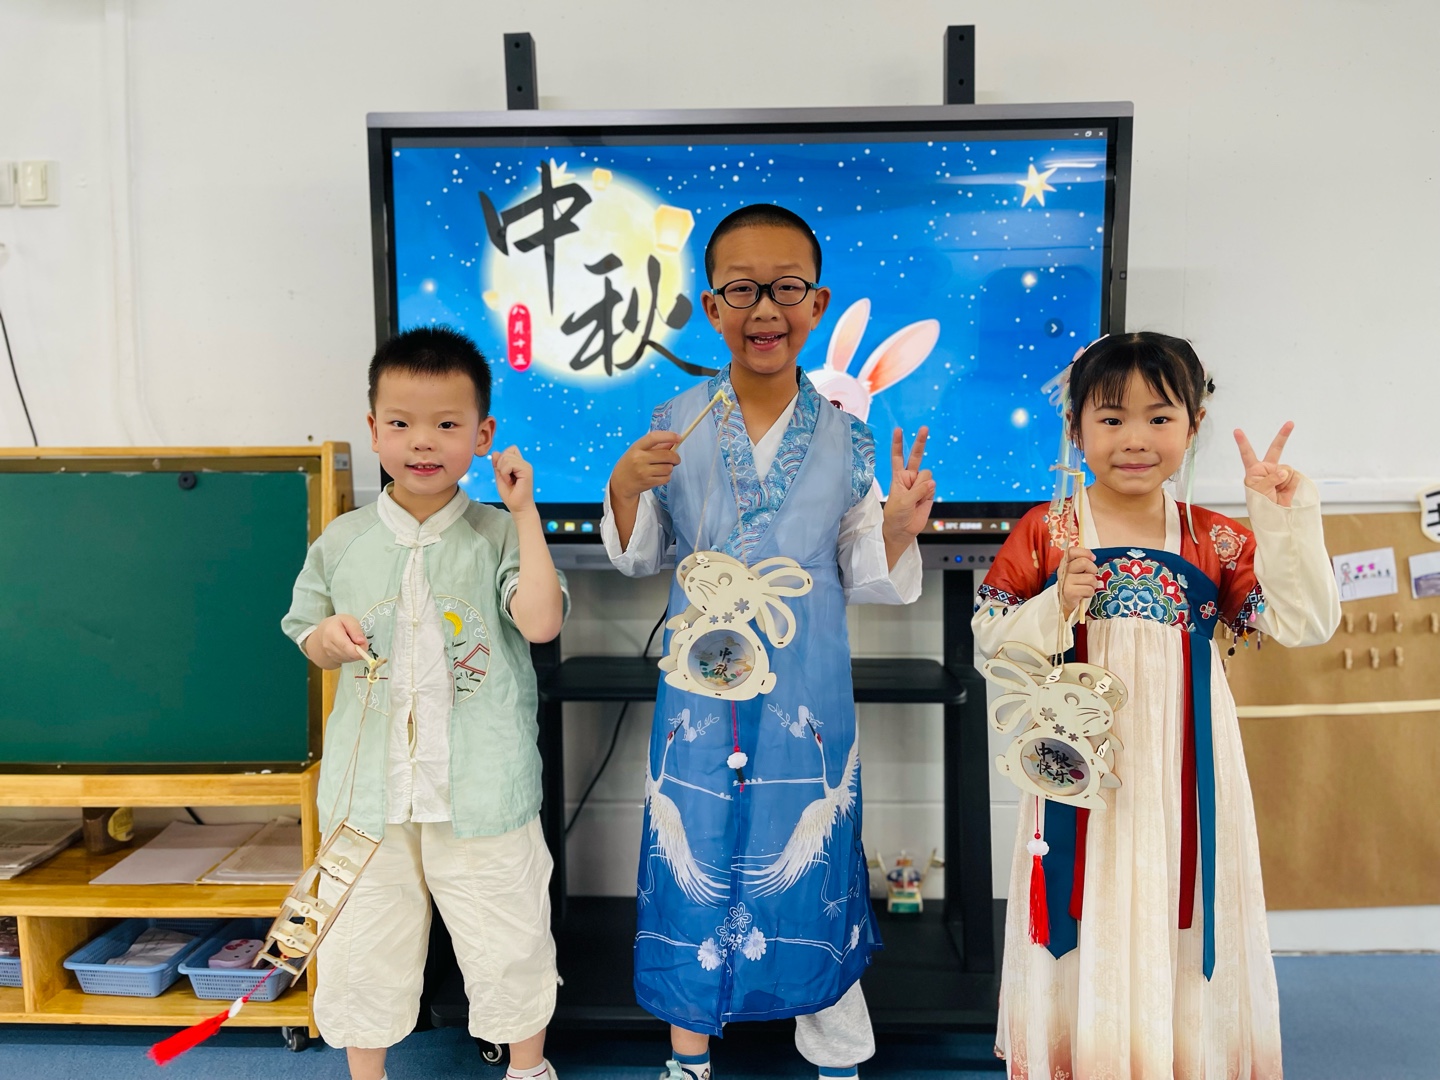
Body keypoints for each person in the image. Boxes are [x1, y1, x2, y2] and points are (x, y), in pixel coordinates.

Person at [603, 204, 935, 1080]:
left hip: (806, 677)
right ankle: (687, 1051)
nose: (765, 310)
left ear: (817, 304)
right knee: (695, 837)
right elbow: (642, 556)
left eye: (786, 289)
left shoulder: (850, 437)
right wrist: (625, 486)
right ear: (712, 307)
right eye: (742, 290)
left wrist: (898, 526)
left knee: (811, 845)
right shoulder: (674, 420)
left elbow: (861, 567)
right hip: (699, 685)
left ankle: (835, 1050)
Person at [973, 332, 1341, 1079]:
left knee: (1183, 898)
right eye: (1111, 418)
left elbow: (1303, 622)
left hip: (1186, 766)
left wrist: (1282, 518)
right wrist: (1054, 606)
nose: (1135, 439)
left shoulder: (1215, 538)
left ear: (1193, 425)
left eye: (1160, 417)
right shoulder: (1048, 531)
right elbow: (989, 643)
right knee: (1087, 897)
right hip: (1078, 767)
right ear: (1075, 427)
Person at [282, 326, 567, 1080]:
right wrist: (328, 639)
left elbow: (541, 622)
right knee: (361, 936)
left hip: (482, 788)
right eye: (401, 423)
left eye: (446, 424)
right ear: (373, 429)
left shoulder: (497, 533)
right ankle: (367, 1072)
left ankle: (527, 1068)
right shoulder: (342, 540)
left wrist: (526, 512)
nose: (422, 442)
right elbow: (306, 629)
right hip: (368, 795)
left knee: (508, 931)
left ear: (483, 435)